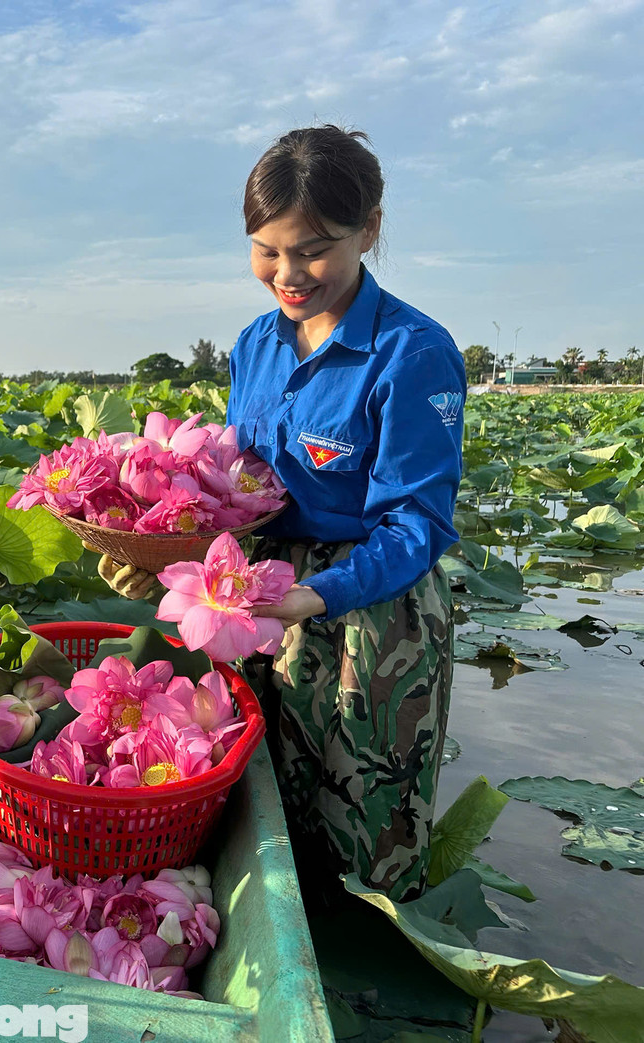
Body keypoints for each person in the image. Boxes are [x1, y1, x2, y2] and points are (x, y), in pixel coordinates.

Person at [102, 125, 466, 903]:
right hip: (255, 588)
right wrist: (164, 549)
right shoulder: (254, 345)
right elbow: (234, 487)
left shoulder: (412, 353)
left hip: (372, 609)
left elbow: (418, 526)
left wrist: (311, 598)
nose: (288, 273)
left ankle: (362, 977)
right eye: (267, 249)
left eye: (313, 248)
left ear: (369, 230)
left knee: (363, 830)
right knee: (251, 804)